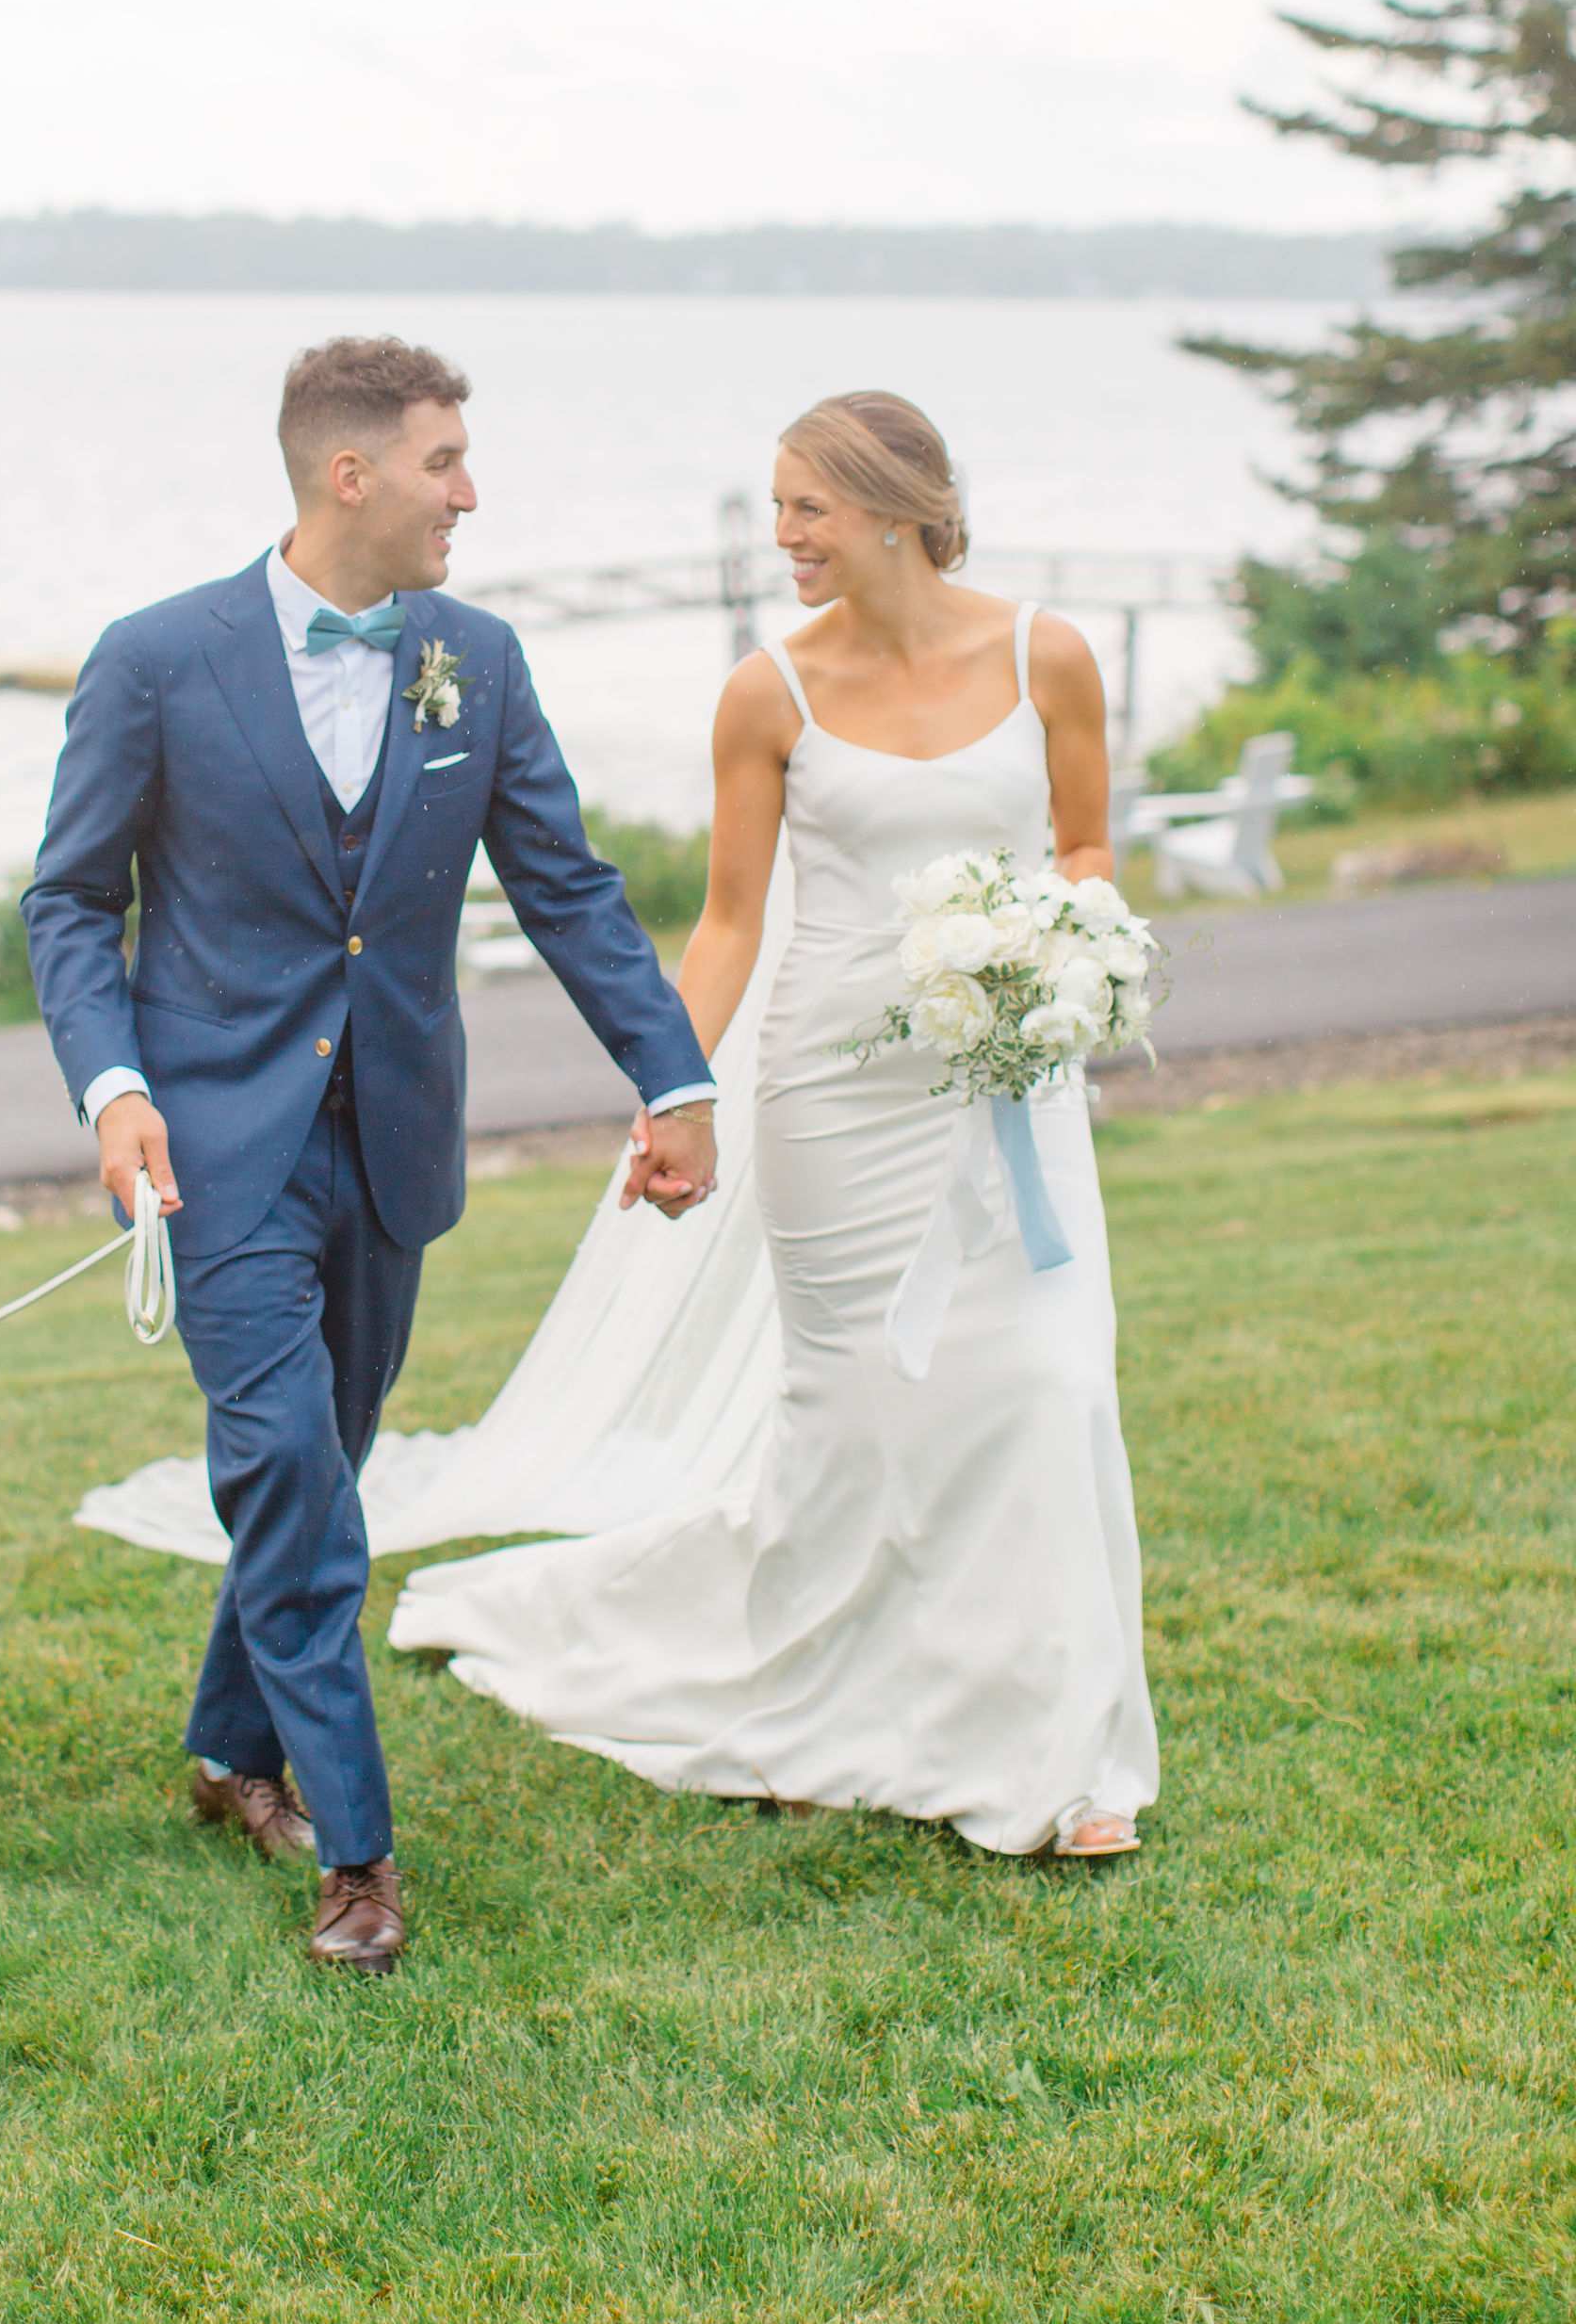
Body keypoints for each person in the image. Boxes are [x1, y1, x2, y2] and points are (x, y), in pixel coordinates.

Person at [23, 334, 720, 1972]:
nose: (468, 493)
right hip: (214, 1147)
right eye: (444, 463)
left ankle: (227, 1750)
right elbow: (68, 903)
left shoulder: (472, 658)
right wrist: (112, 1085)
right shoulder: (154, 660)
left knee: (315, 1462)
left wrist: (673, 1081)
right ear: (353, 475)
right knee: (287, 1470)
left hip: (393, 1140)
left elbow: (569, 889)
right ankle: (356, 1854)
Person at [389, 389, 1159, 1861]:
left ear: (892, 507)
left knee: (1045, 1391)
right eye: (780, 505)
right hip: (832, 1098)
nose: (785, 533)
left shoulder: (1044, 652)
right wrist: (672, 1089)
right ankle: (812, 1701)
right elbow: (733, 919)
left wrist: (1072, 948)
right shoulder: (768, 693)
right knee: (855, 1416)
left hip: (1008, 1089)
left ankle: (1059, 1759)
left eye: (805, 505)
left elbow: (1082, 843)